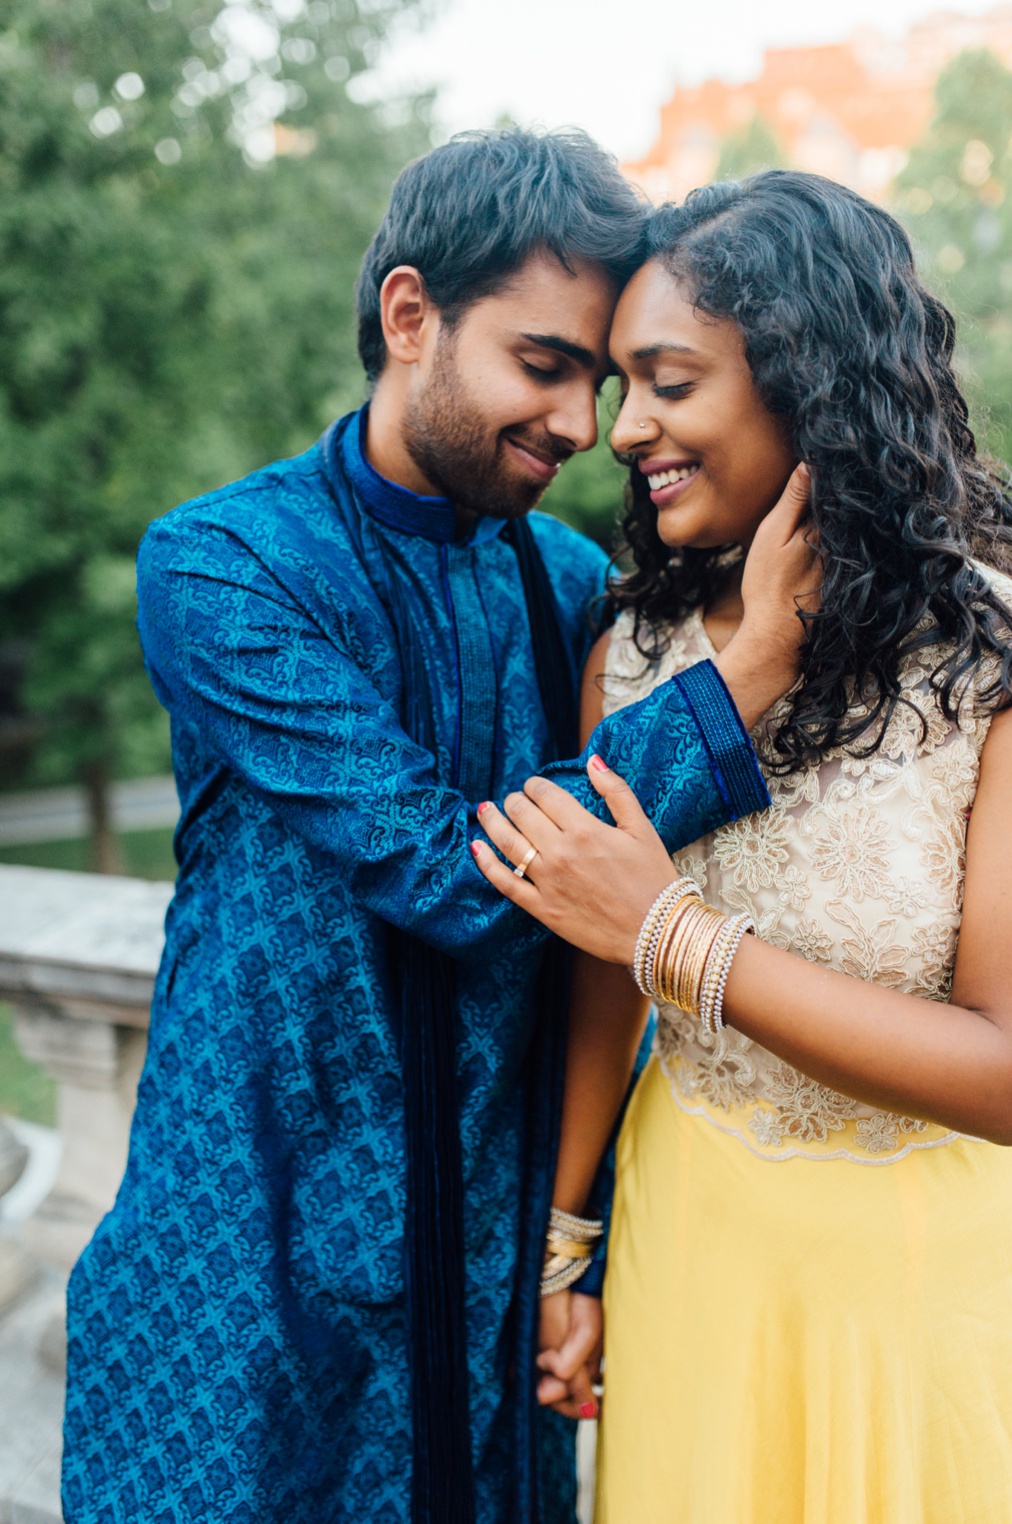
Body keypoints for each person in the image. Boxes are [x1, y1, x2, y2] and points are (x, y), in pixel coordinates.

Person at [62, 130, 814, 1523]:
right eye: (543, 367)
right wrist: (750, 673)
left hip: (483, 1299)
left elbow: (607, 939)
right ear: (412, 316)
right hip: (245, 1288)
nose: (582, 428)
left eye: (598, 383)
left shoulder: (574, 582)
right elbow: (454, 875)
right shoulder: (223, 562)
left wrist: (567, 1251)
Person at [468, 171, 1012, 1521]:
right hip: (690, 1233)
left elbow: (1005, 1076)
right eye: (621, 383)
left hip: (915, 1265)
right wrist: (563, 1251)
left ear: (806, 386)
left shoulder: (989, 660)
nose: (623, 429)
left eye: (668, 382)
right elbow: (599, 975)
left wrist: (675, 934)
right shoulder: (632, 650)